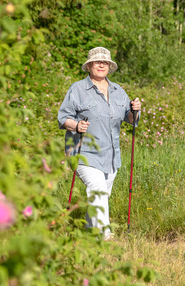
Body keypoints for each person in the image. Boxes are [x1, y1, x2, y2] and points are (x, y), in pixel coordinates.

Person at [57, 47, 141, 240]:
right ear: (89, 66)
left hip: (111, 156)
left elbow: (130, 118)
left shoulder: (118, 91)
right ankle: (105, 238)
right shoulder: (77, 89)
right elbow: (63, 117)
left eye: (105, 62)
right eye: (97, 62)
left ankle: (89, 232)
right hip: (83, 152)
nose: (101, 65)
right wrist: (77, 125)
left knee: (99, 197)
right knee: (98, 191)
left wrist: (136, 109)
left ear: (109, 67)